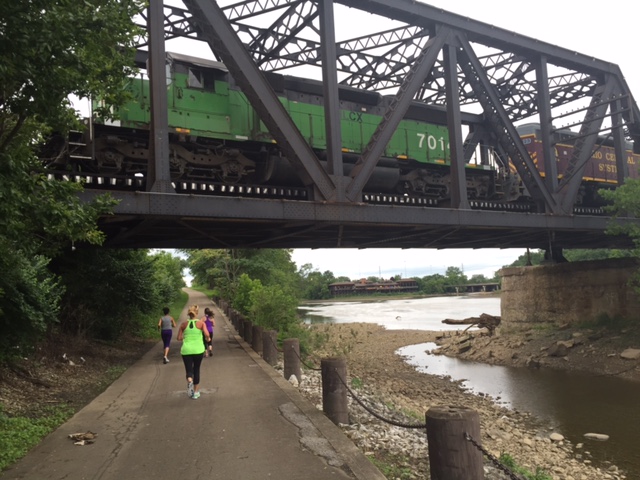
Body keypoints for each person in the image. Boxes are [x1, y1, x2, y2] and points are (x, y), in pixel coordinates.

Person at [177, 309, 210, 399]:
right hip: (198, 350)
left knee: (189, 370)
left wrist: (186, 337)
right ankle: (195, 392)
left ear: (189, 314)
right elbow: (207, 334)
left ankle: (189, 380)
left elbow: (179, 338)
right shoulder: (201, 324)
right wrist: (208, 339)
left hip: (186, 350)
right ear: (197, 314)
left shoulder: (183, 324)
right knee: (196, 369)